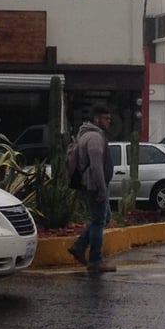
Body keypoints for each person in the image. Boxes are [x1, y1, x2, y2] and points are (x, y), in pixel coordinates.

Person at [67, 104, 116, 273]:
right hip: (94, 185)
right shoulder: (94, 137)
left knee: (104, 216)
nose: (109, 121)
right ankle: (95, 260)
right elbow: (96, 166)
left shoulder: (88, 134)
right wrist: (101, 189)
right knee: (98, 221)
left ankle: (79, 246)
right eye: (106, 118)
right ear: (96, 119)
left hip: (92, 184)